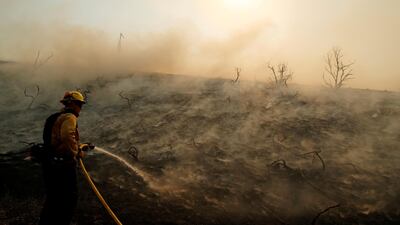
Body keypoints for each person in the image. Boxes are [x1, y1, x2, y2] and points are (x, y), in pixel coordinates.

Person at [39, 91, 88, 225]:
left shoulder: (53, 117)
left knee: (53, 200)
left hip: (49, 163)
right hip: (63, 166)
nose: (80, 108)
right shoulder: (70, 117)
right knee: (69, 200)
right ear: (72, 104)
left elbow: (52, 139)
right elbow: (67, 135)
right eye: (79, 104)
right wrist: (76, 151)